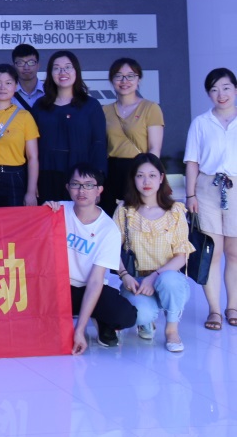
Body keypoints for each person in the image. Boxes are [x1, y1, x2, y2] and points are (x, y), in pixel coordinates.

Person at [46, 164, 136, 352]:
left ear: (99, 190)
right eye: (76, 184)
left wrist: (79, 331)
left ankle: (99, 319)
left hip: (88, 287)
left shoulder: (108, 229)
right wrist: (43, 211)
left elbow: (96, 281)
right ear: (67, 187)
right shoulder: (57, 211)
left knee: (125, 316)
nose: (81, 190)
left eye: (88, 185)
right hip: (56, 286)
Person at [113, 153, 192, 352]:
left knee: (169, 280)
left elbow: (181, 255)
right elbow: (111, 248)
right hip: (137, 281)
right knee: (140, 314)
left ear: (161, 178)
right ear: (133, 179)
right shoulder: (124, 211)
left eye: (152, 175)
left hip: (167, 279)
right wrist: (124, 275)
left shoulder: (175, 211)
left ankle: (172, 330)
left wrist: (155, 276)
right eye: (140, 176)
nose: (146, 181)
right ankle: (146, 320)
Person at [183, 67, 237, 331]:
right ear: (208, 94)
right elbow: (192, 161)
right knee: (212, 252)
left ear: (235, 89)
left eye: (226, 88)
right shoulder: (201, 123)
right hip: (207, 188)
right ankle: (214, 310)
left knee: (234, 253)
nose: (221, 94)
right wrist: (190, 194)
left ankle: (233, 306)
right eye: (214, 90)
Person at [31, 51, 107, 204]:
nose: (62, 72)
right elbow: (31, 147)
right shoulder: (40, 106)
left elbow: (99, 145)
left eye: (67, 67)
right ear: (50, 73)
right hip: (46, 176)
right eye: (57, 68)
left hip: (81, 180)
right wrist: (32, 185)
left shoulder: (91, 106)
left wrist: (96, 183)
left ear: (76, 71)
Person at [104, 58, 165, 216]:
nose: (124, 81)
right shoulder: (105, 111)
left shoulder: (150, 108)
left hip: (138, 170)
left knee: (137, 217)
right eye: (118, 76)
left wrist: (147, 176)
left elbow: (154, 148)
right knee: (113, 217)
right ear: (112, 80)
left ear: (139, 80)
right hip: (111, 171)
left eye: (130, 76)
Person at [0, 64, 40, 207]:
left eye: (8, 83)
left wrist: (31, 192)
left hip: (15, 177)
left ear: (16, 86)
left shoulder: (24, 116)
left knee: (15, 220)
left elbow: (33, 157)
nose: (2, 87)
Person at [12, 44, 45, 109]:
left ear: (38, 65)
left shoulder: (50, 92)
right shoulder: (8, 93)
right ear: (14, 67)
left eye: (31, 62)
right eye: (20, 63)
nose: (26, 67)